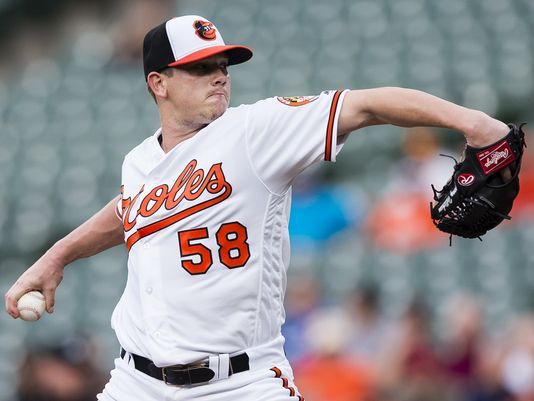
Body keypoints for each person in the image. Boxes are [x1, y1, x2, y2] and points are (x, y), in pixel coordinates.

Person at [4, 14, 511, 401]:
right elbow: (128, 211)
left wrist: (476, 124)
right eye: (200, 68)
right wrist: (57, 256)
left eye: (222, 66)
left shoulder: (255, 131)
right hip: (137, 381)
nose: (219, 76)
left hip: (240, 383)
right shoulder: (140, 160)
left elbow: (366, 104)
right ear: (158, 83)